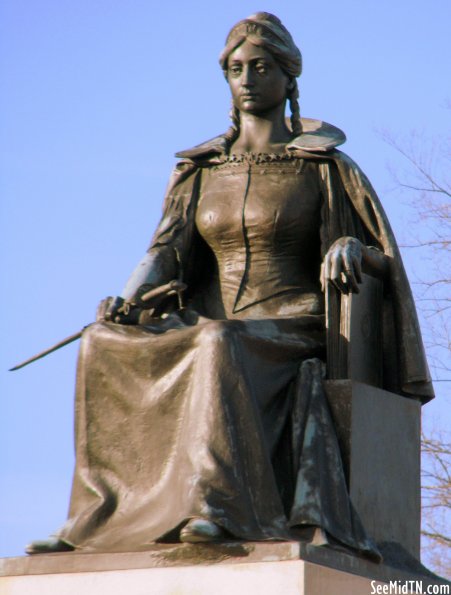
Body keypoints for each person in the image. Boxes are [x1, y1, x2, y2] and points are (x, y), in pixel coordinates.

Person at [27, 12, 433, 560]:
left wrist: (353, 249)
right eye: (236, 69)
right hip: (212, 323)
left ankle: (215, 507)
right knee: (102, 342)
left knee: (216, 340)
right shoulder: (200, 171)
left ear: (288, 79)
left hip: (294, 324)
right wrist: (127, 297)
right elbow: (165, 250)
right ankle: (97, 518)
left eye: (260, 67)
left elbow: (386, 259)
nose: (246, 78)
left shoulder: (324, 167)